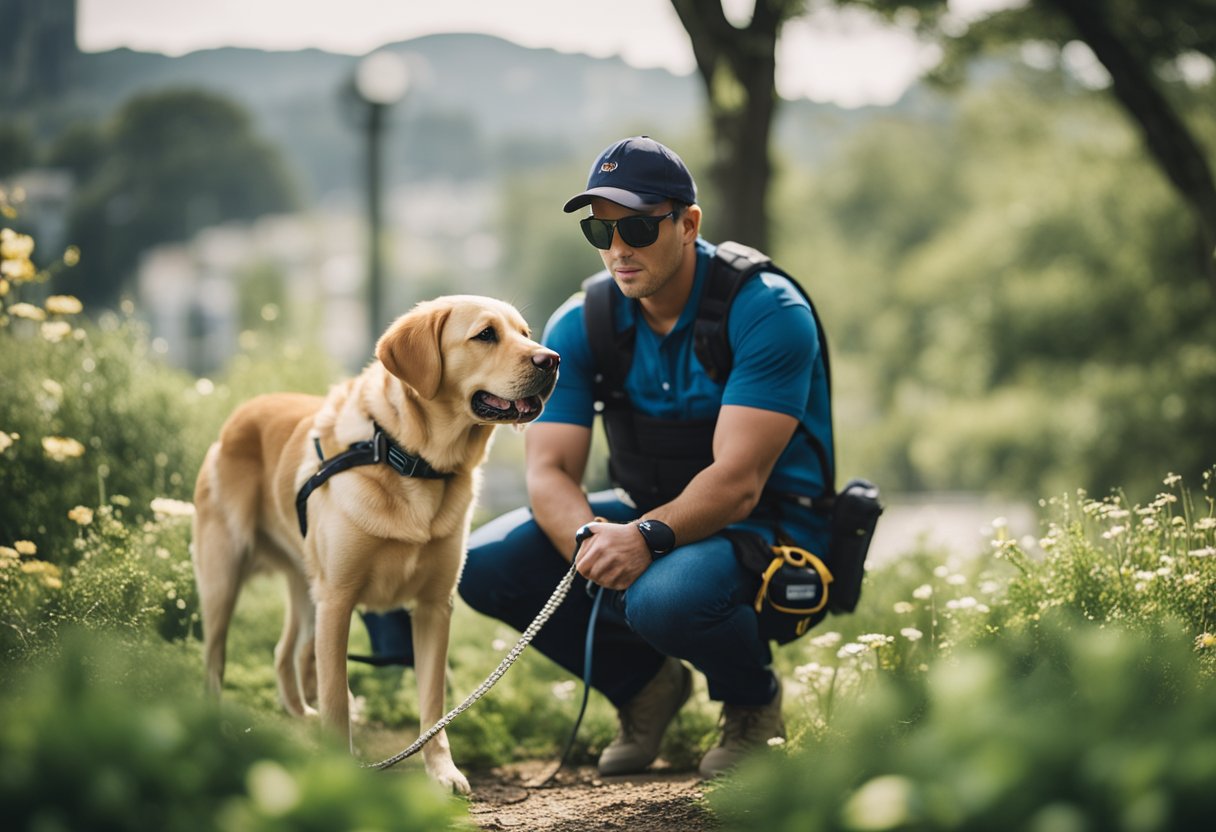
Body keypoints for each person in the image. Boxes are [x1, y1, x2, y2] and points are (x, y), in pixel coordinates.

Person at [451, 135, 836, 779]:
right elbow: (548, 472)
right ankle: (645, 689)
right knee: (486, 564)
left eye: (635, 225)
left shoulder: (768, 312)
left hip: (769, 524)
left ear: (688, 224)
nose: (617, 249)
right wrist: (592, 540)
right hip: (646, 514)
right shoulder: (581, 321)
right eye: (599, 230)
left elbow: (739, 484)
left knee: (661, 598)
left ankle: (753, 701)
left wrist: (645, 538)